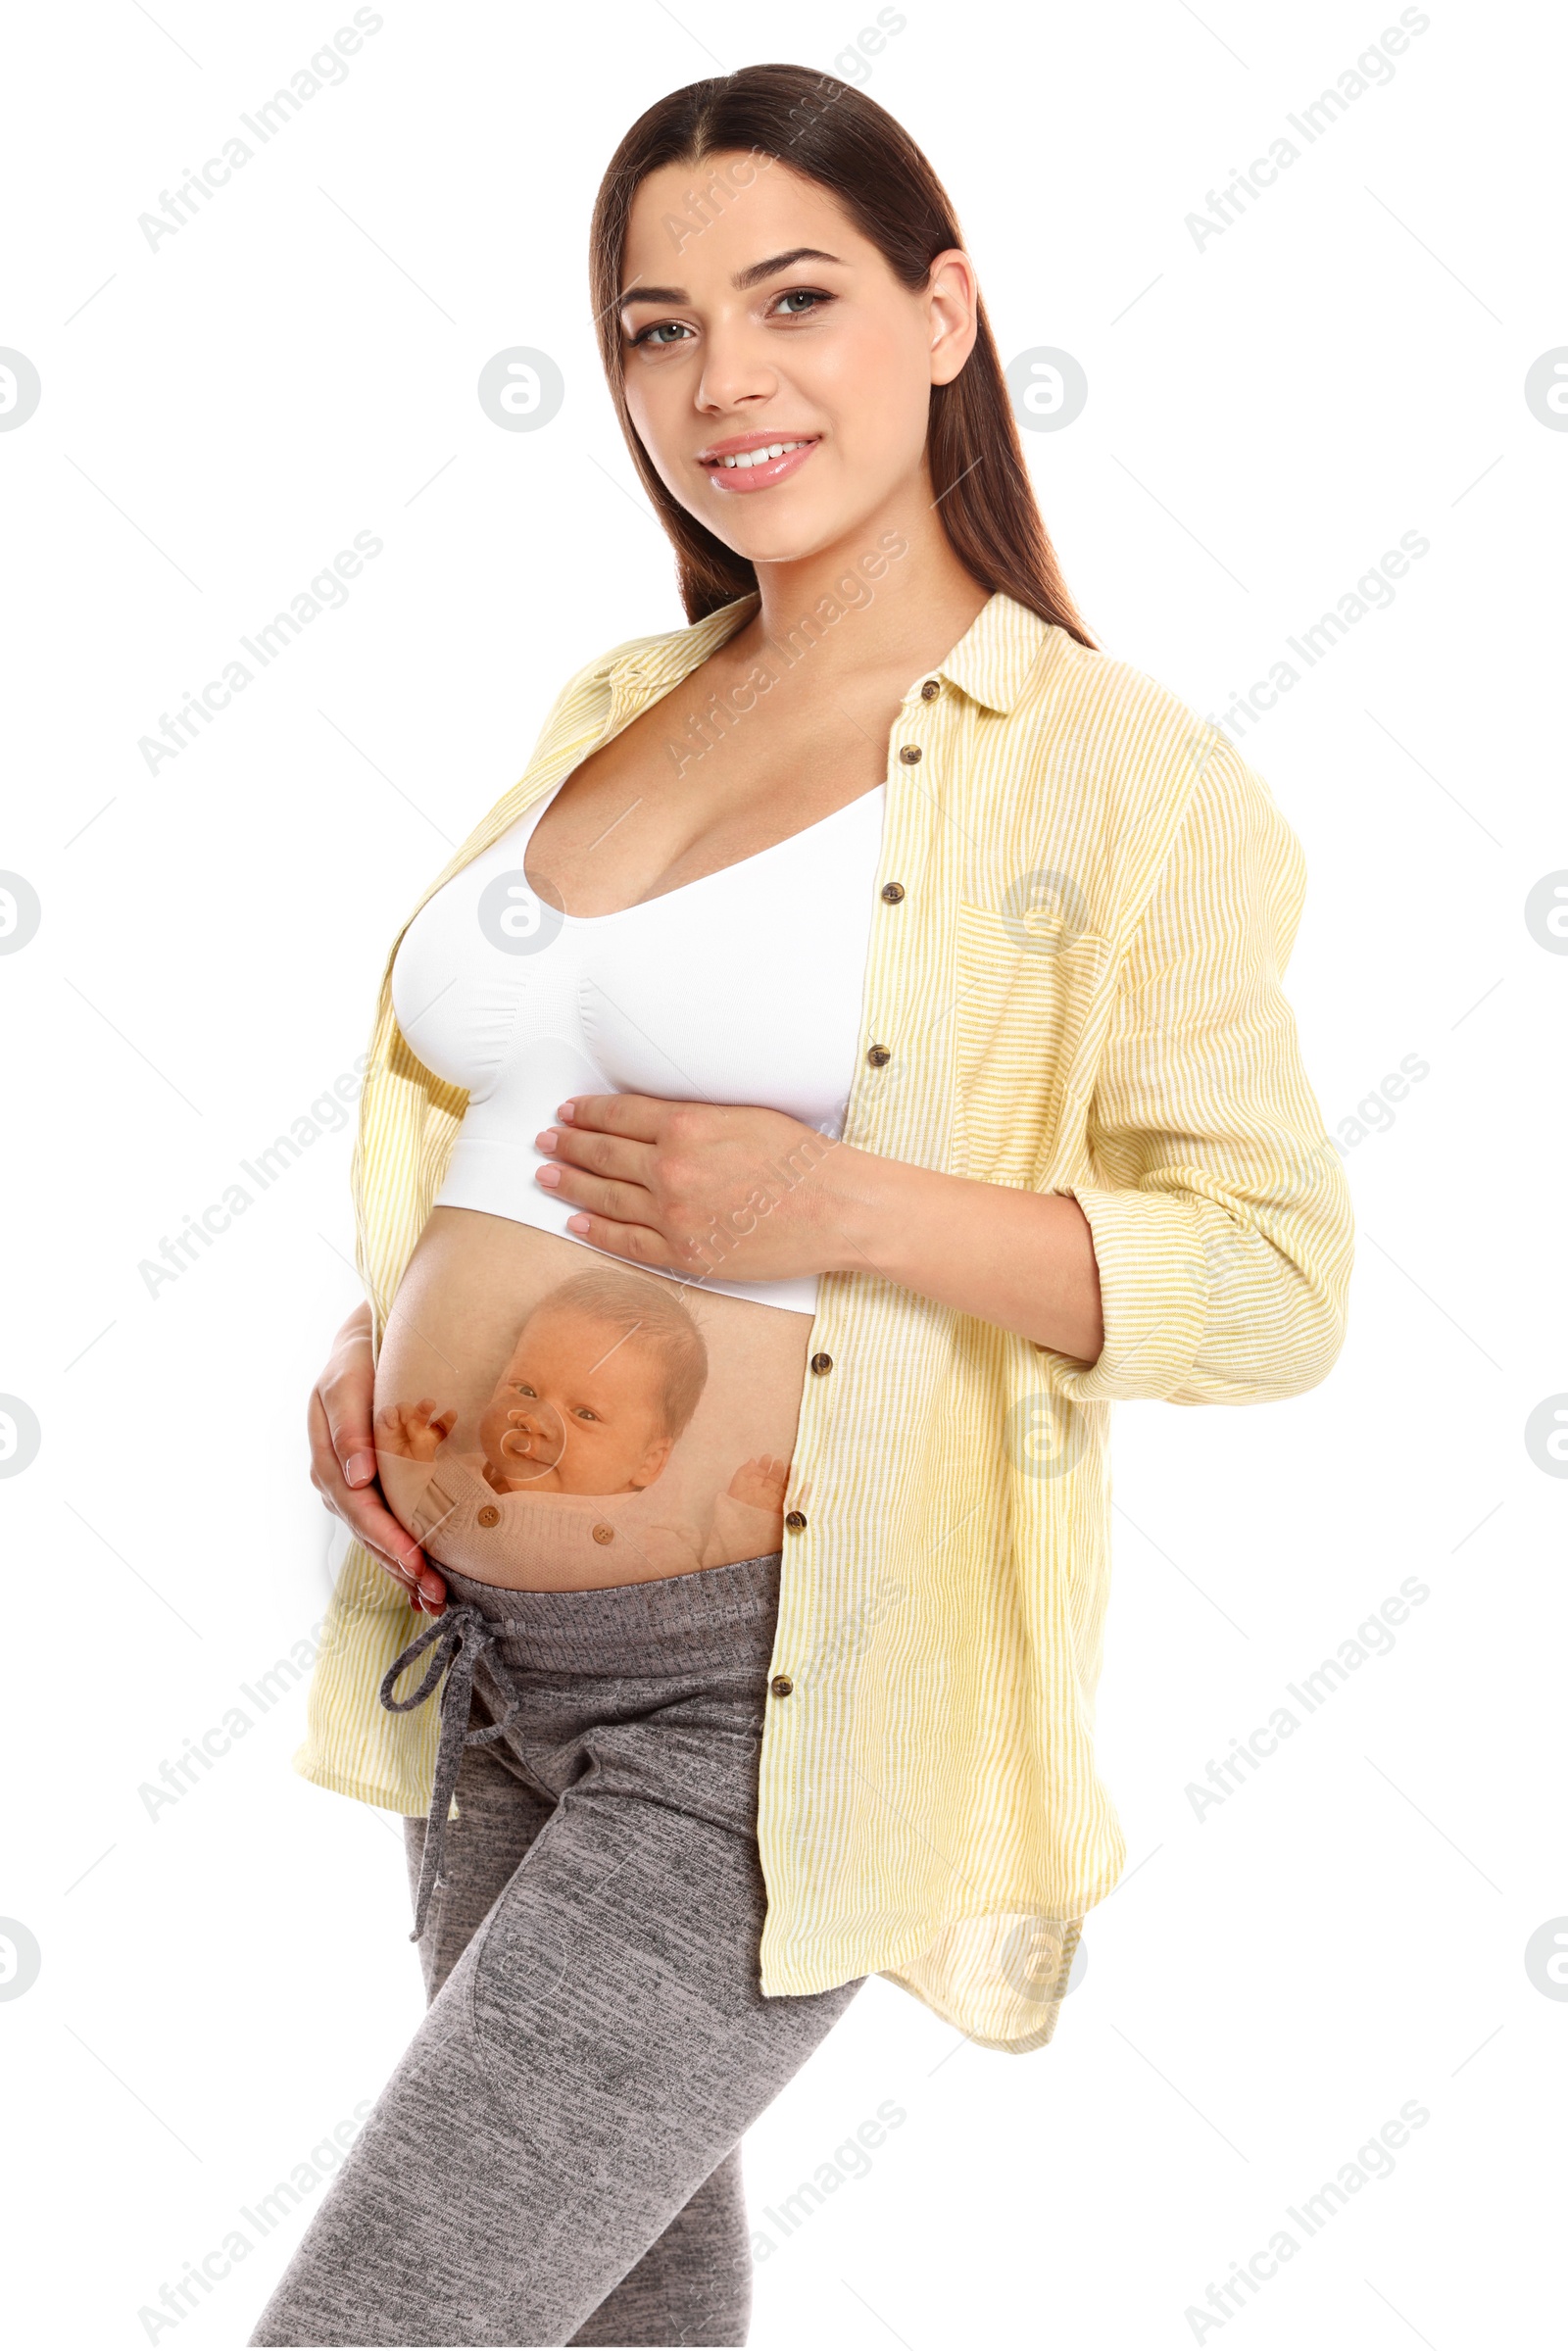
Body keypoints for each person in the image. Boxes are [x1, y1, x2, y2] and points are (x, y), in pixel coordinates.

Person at [251, 60, 1353, 2349]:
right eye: (655, 328)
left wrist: (838, 1199)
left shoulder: (1107, 774)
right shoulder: (618, 703)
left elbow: (1264, 1284)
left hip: (758, 1707)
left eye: (792, 299)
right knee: (608, 2325)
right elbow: (504, 1097)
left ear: (946, 316)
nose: (718, 380)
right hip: (481, 1673)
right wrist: (392, 1354)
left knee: (382, 2323)